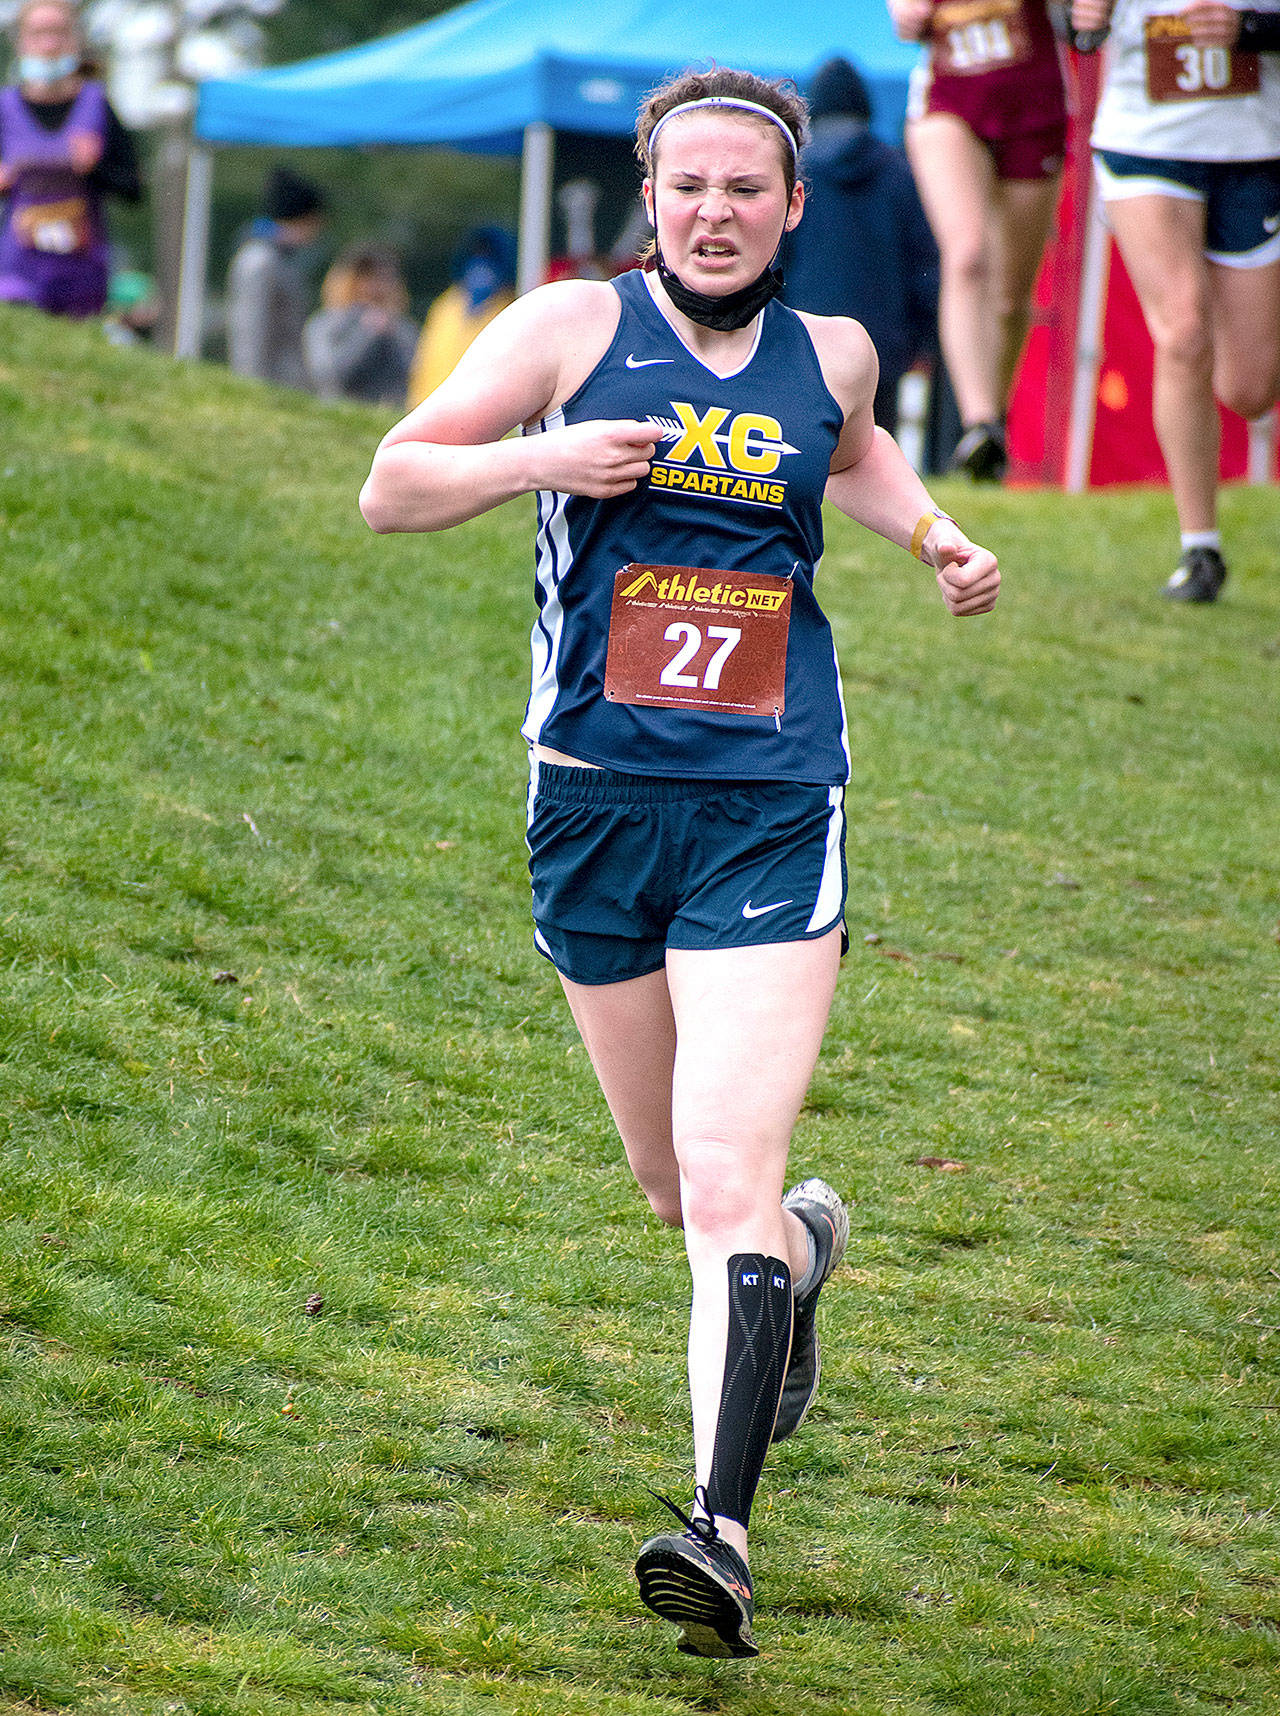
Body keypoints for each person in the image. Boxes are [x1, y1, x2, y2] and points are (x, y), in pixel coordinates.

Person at [359, 65, 1000, 1660]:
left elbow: (851, 455)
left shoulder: (833, 352)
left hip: (776, 802)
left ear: (792, 207)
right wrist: (540, 462)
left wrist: (932, 537)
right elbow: (390, 483)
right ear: (652, 200)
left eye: (746, 189)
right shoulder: (569, 330)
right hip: (591, 805)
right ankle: (807, 1253)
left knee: (725, 1175)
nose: (716, 211)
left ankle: (715, 1533)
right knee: (677, 1188)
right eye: (689, 186)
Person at [1072, 0, 1280, 601]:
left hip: (1255, 149)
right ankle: (1201, 548)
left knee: (1250, 387)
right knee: (1184, 332)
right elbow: (1072, 23)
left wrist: (1250, 29)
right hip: (1146, 141)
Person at [889, 0, 1069, 478]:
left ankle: (993, 425)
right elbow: (905, 18)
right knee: (967, 254)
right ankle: (979, 421)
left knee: (1011, 296)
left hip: (1035, 104)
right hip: (949, 101)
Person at [783, 56, 939, 435]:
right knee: (873, 442)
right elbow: (925, 264)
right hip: (881, 344)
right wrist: (923, 339)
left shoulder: (796, 172)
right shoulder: (900, 173)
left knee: (795, 440)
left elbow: (774, 257)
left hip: (801, 337)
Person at [0, 0, 141, 319]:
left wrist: (94, 169)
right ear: (22, 42)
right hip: (17, 275)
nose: (49, 44)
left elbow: (133, 190)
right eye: (39, 33)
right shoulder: (5, 109)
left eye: (59, 33)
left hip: (82, 278)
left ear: (75, 41)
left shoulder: (98, 107)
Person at [226, 165, 327, 389]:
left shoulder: (280, 259)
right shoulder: (260, 261)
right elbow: (250, 331)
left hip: (287, 382)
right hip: (271, 382)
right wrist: (251, 386)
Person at [406, 225, 516, 407]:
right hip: (430, 405)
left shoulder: (510, 311)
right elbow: (424, 363)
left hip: (479, 412)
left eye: (490, 258)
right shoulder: (447, 305)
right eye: (477, 255)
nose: (481, 266)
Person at [304, 243, 418, 406]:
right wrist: (366, 334)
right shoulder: (326, 324)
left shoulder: (403, 328)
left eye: (382, 278)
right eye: (365, 277)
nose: (373, 286)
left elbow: (417, 376)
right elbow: (328, 376)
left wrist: (391, 335)